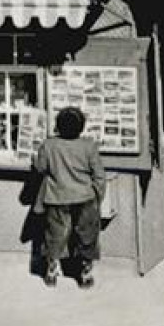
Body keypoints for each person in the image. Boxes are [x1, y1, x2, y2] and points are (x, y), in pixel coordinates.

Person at [32, 106, 108, 288]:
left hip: (57, 196)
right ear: (81, 127)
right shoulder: (89, 146)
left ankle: (52, 270)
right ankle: (85, 273)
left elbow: (40, 169)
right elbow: (99, 175)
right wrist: (98, 196)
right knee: (87, 236)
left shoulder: (49, 145)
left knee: (55, 235)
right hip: (85, 197)